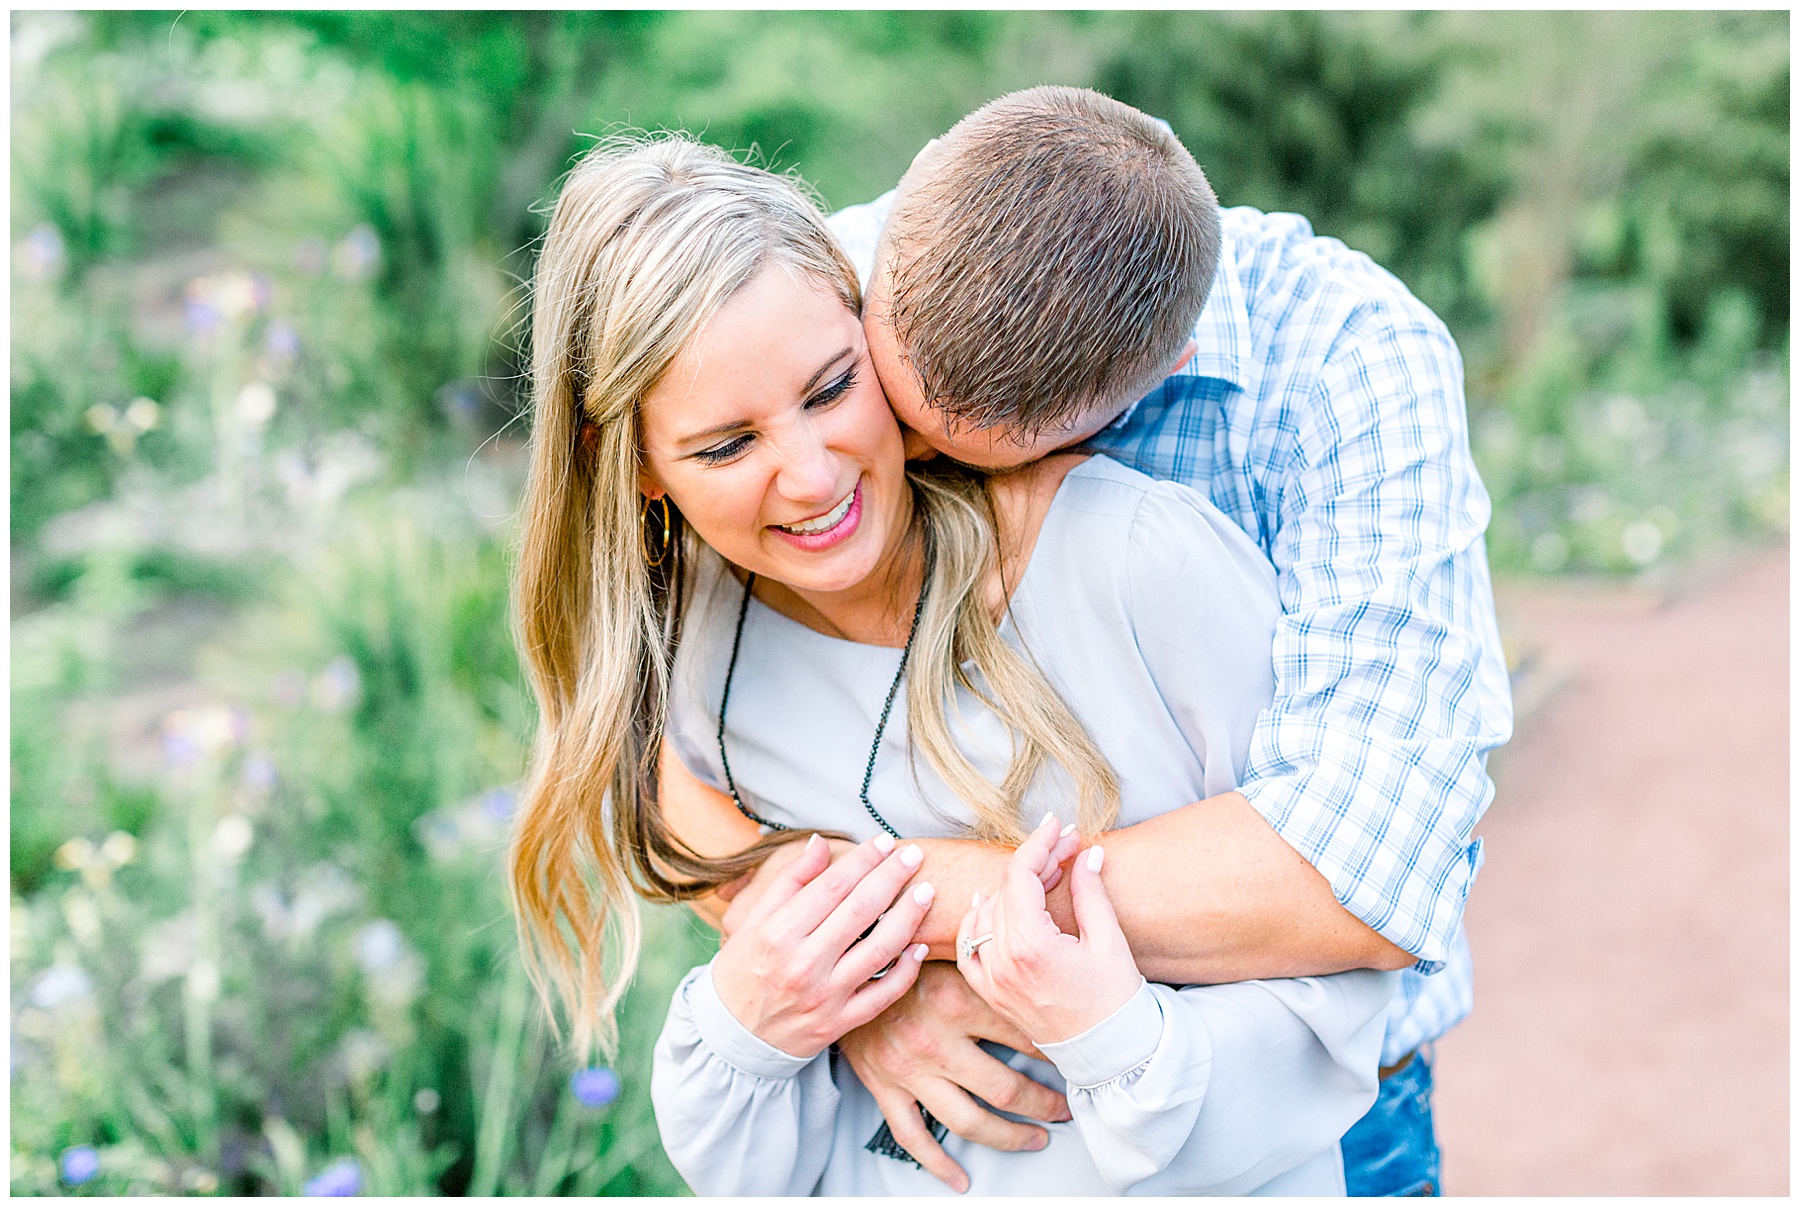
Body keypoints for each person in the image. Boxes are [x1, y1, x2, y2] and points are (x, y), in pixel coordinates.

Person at [507, 133, 1396, 1196]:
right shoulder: (698, 666)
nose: (808, 475)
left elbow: (1337, 973)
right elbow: (771, 1148)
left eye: (833, 387)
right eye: (726, 446)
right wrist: (833, 1008)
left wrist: (1101, 1031)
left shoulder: (1134, 562)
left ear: (876, 329)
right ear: (634, 468)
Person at [691, 85, 1513, 1196]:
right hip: (972, 1114)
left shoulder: (1347, 369)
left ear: (1150, 383)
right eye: (882, 397)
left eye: (959, 460)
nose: (872, 467)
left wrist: (889, 932)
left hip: (1298, 1103)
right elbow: (626, 717)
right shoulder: (835, 272)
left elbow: (1348, 877)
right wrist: (856, 994)